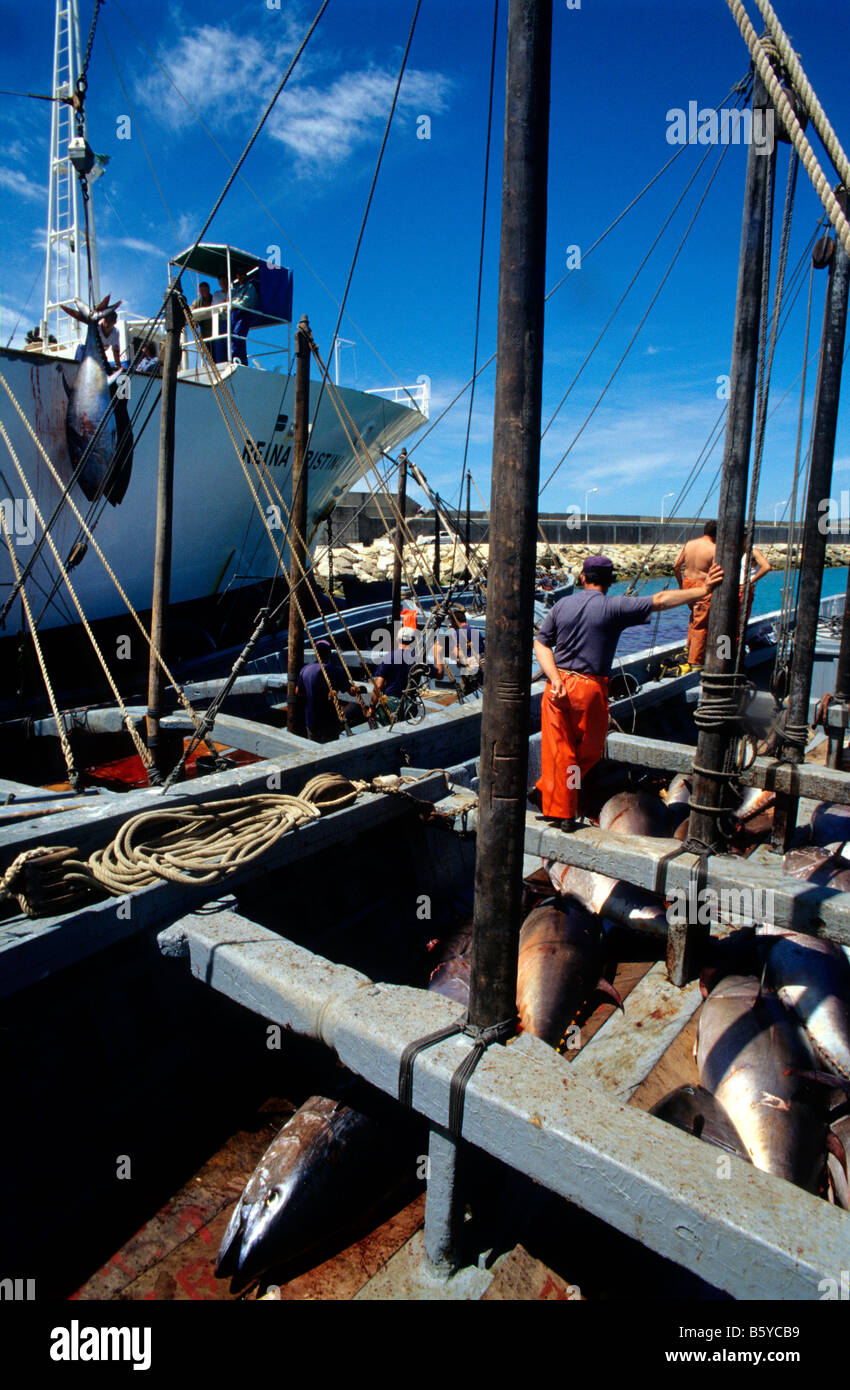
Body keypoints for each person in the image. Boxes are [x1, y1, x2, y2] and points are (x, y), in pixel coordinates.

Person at [533, 553, 723, 827]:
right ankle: (562, 808)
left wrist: (555, 677)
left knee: (560, 751)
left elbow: (541, 644)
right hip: (589, 689)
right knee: (588, 752)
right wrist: (703, 590)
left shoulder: (561, 606)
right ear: (609, 582)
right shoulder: (614, 607)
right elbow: (660, 601)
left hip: (556, 687)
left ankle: (556, 799)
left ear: (583, 578)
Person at [674, 521, 717, 668]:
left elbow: (676, 565)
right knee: (701, 624)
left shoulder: (689, 544)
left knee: (694, 618)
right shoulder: (714, 549)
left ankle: (689, 649)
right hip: (702, 585)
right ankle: (696, 661)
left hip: (687, 583)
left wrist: (681, 584)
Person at [295, 640, 357, 742]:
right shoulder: (335, 670)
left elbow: (298, 692)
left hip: (311, 719)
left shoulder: (305, 669)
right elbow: (351, 692)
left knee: (314, 747)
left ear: (316, 653)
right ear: (329, 653)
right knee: (332, 745)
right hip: (329, 719)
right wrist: (358, 689)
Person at [739, 545, 771, 634]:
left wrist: (749, 582)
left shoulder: (753, 551)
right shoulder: (738, 549)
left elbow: (766, 567)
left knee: (739, 621)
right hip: (736, 589)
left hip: (743, 589)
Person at [230, 268, 259, 365]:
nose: (240, 277)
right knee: (233, 338)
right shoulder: (236, 289)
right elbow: (232, 300)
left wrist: (233, 305)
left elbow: (247, 301)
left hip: (244, 314)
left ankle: (240, 361)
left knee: (239, 337)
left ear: (245, 276)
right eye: (238, 274)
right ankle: (236, 359)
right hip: (235, 314)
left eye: (242, 274)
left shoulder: (250, 287)